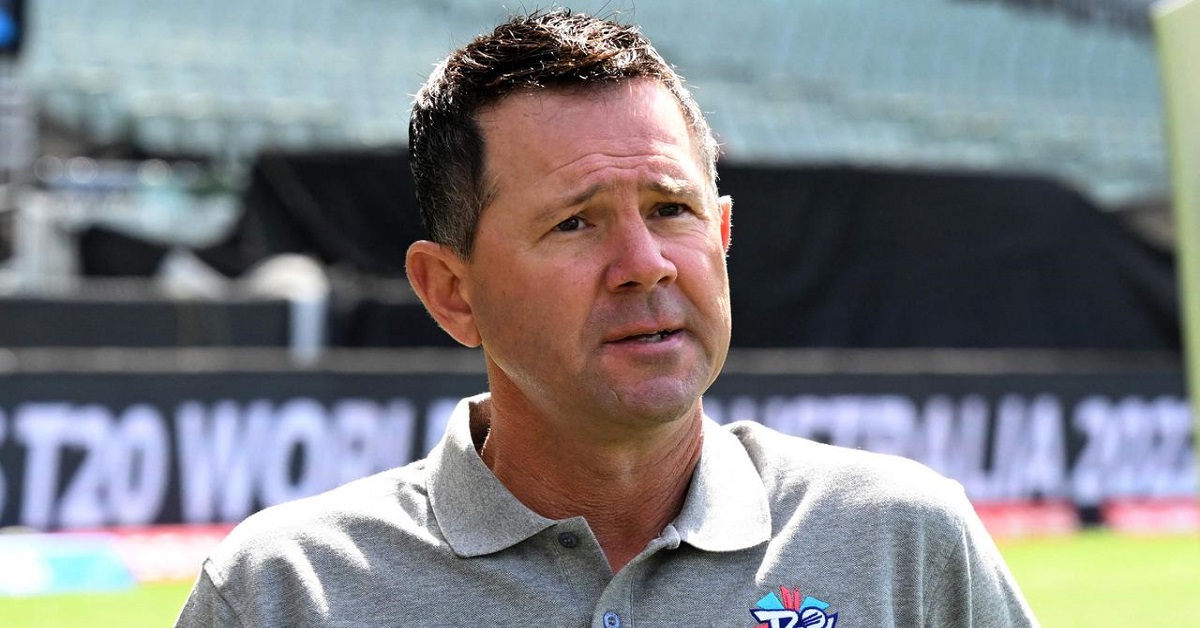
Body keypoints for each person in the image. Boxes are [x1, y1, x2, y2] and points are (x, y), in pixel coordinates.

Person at [176, 9, 1036, 627]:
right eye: (575, 223)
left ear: (722, 236)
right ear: (451, 293)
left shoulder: (903, 541)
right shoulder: (285, 591)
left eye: (671, 210)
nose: (646, 263)